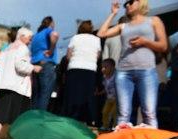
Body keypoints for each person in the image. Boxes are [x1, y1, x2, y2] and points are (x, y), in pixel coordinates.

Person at [97, 0, 168, 128]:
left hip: (146, 70)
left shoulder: (153, 20)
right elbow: (101, 33)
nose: (127, 5)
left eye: (131, 2)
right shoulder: (123, 26)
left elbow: (163, 46)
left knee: (149, 114)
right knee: (123, 115)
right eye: (126, 4)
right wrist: (113, 14)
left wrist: (145, 42)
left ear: (141, 2)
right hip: (124, 72)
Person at [0, 27, 42, 139]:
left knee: (2, 113)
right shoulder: (22, 48)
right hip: (17, 86)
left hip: (4, 85)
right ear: (22, 36)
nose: (30, 41)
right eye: (29, 38)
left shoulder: (7, 48)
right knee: (18, 116)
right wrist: (33, 68)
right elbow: (20, 65)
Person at [63, 20, 101, 123]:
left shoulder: (75, 38)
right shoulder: (96, 39)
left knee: (73, 94)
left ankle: (71, 117)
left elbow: (68, 55)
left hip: (75, 67)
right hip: (90, 69)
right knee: (87, 95)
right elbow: (97, 56)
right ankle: (87, 119)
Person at [31, 16, 59, 111]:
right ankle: (40, 118)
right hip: (46, 64)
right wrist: (51, 50)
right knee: (45, 93)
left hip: (35, 65)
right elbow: (55, 35)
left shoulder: (36, 35)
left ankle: (33, 118)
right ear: (51, 23)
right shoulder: (48, 30)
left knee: (36, 94)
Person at [99, 59, 118, 131]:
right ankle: (105, 126)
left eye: (105, 67)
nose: (103, 69)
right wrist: (99, 93)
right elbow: (106, 88)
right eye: (102, 67)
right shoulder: (104, 77)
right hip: (109, 98)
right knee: (105, 112)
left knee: (114, 113)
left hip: (117, 99)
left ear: (113, 67)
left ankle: (115, 126)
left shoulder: (117, 76)